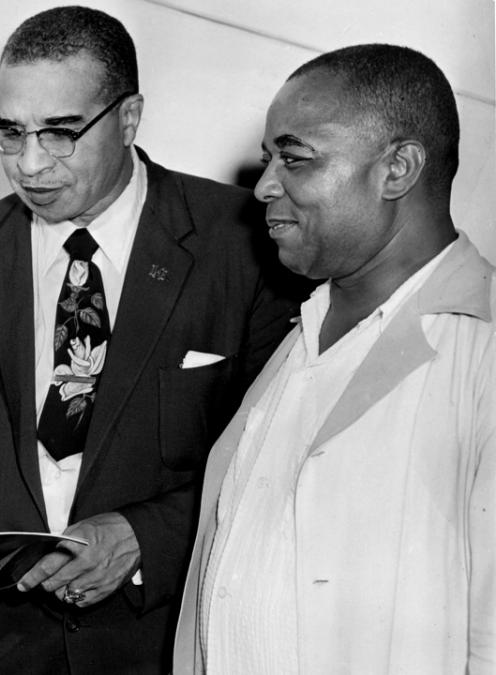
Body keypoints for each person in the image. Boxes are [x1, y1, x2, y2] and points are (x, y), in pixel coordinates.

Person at [0, 6, 303, 673]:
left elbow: (278, 458)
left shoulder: (244, 243)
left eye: (60, 134)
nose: (29, 164)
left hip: (166, 640)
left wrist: (148, 537)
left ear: (129, 117)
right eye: (10, 132)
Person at [173, 44, 495, 673]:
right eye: (269, 159)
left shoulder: (481, 349)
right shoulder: (299, 332)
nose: (264, 185)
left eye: (294, 158)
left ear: (397, 168)